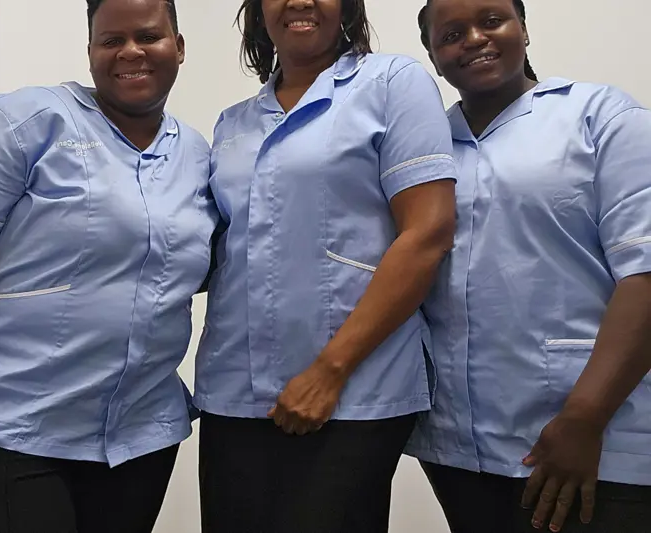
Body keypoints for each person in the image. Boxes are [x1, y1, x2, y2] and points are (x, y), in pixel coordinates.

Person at [0, 0, 218, 531]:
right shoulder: (25, 121)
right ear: (91, 51)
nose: (130, 52)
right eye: (111, 40)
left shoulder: (196, 155)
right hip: (6, 424)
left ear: (179, 47)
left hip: (138, 438)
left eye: (148, 36)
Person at [194, 1, 458, 531]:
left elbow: (427, 233)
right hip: (235, 394)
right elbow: (220, 251)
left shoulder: (391, 83)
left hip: (352, 392)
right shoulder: (233, 124)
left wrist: (328, 371)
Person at [408, 0, 651, 531]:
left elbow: (645, 273)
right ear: (433, 57)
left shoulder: (601, 117)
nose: (474, 39)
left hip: (593, 442)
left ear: (523, 28)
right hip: (459, 450)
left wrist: (584, 417)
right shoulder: (426, 149)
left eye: (491, 21)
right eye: (451, 34)